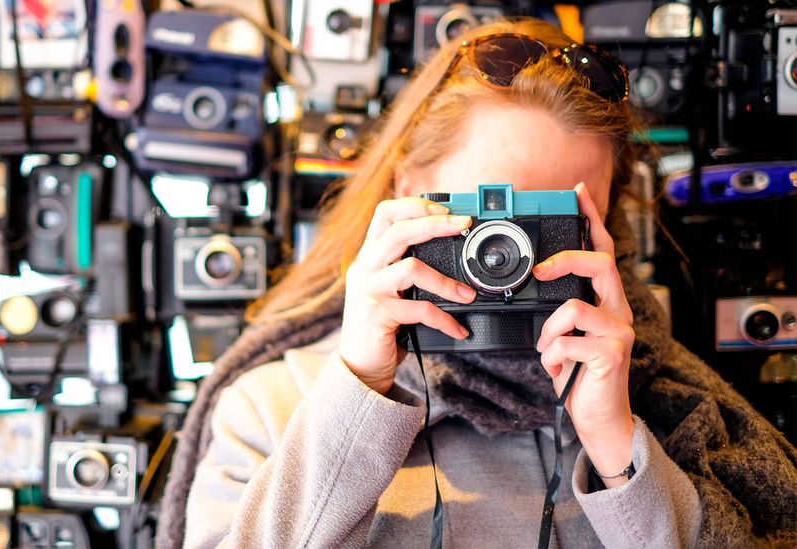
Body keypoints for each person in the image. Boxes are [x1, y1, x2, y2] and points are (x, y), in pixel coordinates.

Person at [156, 17, 797, 549]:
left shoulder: (673, 416)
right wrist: (358, 394)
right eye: (492, 214)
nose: (507, 252)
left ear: (610, 226)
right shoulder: (272, 408)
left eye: (557, 219)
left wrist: (619, 451)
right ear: (408, 193)